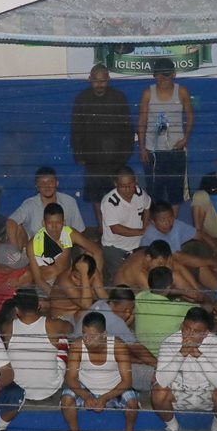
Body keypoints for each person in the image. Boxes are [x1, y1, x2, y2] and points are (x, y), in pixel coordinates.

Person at [151, 307, 217, 431]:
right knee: (158, 391)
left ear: (205, 333)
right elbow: (162, 381)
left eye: (196, 332)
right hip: (179, 394)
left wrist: (198, 354)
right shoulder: (169, 343)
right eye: (187, 329)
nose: (189, 335)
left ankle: (216, 429)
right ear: (182, 326)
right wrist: (181, 353)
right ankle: (172, 428)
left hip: (206, 395)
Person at [60, 311, 142, 431]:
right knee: (66, 399)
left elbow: (126, 381)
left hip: (114, 388)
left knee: (132, 402)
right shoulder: (78, 346)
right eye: (84, 334)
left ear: (104, 334)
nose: (87, 339)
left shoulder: (117, 346)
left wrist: (104, 398)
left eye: (92, 336)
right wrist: (86, 396)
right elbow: (71, 378)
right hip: (86, 387)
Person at [72, 64, 134, 229]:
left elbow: (127, 128)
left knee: (117, 194)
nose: (99, 85)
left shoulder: (118, 98)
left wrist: (125, 154)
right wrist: (79, 155)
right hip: (92, 158)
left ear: (109, 80)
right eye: (96, 81)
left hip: (116, 158)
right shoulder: (82, 99)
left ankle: (118, 228)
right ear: (89, 79)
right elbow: (76, 128)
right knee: (96, 197)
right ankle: (102, 228)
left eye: (103, 81)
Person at [137, 58, 194, 208]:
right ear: (154, 76)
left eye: (166, 75)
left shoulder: (181, 91)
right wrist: (142, 148)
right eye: (159, 75)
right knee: (154, 192)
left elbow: (190, 116)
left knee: (176, 192)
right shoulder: (148, 93)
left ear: (174, 75)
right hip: (153, 151)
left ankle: (172, 225)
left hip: (176, 150)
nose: (162, 79)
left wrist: (185, 139)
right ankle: (156, 227)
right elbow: (142, 121)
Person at [81, 285, 157, 391]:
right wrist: (158, 364)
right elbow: (137, 349)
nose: (128, 313)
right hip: (93, 369)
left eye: (130, 310)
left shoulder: (100, 304)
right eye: (125, 310)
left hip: (87, 359)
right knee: (152, 375)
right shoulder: (115, 321)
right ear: (112, 304)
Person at [2, 289, 72, 402]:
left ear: (17, 310)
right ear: (38, 306)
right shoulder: (53, 324)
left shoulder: (7, 327)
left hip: (20, 389)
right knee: (62, 338)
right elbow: (70, 328)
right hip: (52, 387)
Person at [140, 200, 217, 290]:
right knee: (202, 265)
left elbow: (200, 234)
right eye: (162, 220)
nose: (168, 223)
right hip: (159, 273)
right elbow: (179, 257)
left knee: (214, 261)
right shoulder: (152, 235)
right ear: (153, 222)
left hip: (176, 264)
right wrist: (211, 261)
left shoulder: (176, 224)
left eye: (170, 218)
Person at [6, 166, 87, 252]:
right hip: (33, 252)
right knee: (17, 228)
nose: (47, 186)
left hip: (62, 252)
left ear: (57, 183)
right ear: (37, 187)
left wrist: (84, 256)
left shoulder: (70, 202)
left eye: (50, 182)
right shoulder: (29, 204)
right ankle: (17, 260)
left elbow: (79, 231)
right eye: (42, 183)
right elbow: (10, 222)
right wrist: (14, 251)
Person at [26, 203, 103, 292]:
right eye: (50, 223)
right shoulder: (32, 244)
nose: (54, 227)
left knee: (89, 255)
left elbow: (97, 251)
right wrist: (54, 296)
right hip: (46, 284)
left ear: (64, 222)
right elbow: (38, 279)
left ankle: (93, 292)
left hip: (68, 278)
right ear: (43, 223)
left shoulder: (70, 234)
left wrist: (98, 282)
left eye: (58, 222)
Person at [113, 240, 205, 302]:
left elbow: (179, 267)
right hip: (128, 298)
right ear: (148, 258)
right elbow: (157, 293)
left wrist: (196, 288)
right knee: (174, 281)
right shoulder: (138, 271)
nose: (162, 266)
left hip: (148, 288)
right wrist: (183, 292)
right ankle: (193, 301)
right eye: (160, 263)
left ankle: (197, 300)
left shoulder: (153, 254)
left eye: (164, 263)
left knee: (176, 276)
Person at [100, 166, 152, 275]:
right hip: (115, 247)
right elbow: (116, 229)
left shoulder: (140, 193)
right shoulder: (109, 202)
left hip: (137, 244)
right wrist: (142, 232)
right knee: (123, 277)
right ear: (115, 184)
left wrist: (145, 226)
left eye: (131, 185)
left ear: (136, 180)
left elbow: (147, 206)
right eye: (123, 186)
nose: (128, 189)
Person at [134, 266, 194, 357]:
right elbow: (203, 309)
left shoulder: (141, 297)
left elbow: (152, 291)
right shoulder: (181, 308)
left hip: (143, 354)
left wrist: (181, 292)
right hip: (165, 357)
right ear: (170, 286)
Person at [48, 253, 108, 322]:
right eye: (75, 277)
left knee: (103, 308)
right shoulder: (64, 281)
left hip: (79, 311)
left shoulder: (93, 272)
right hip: (63, 318)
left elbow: (103, 296)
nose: (79, 283)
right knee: (91, 313)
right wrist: (83, 274)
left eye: (83, 279)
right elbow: (86, 305)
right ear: (72, 270)